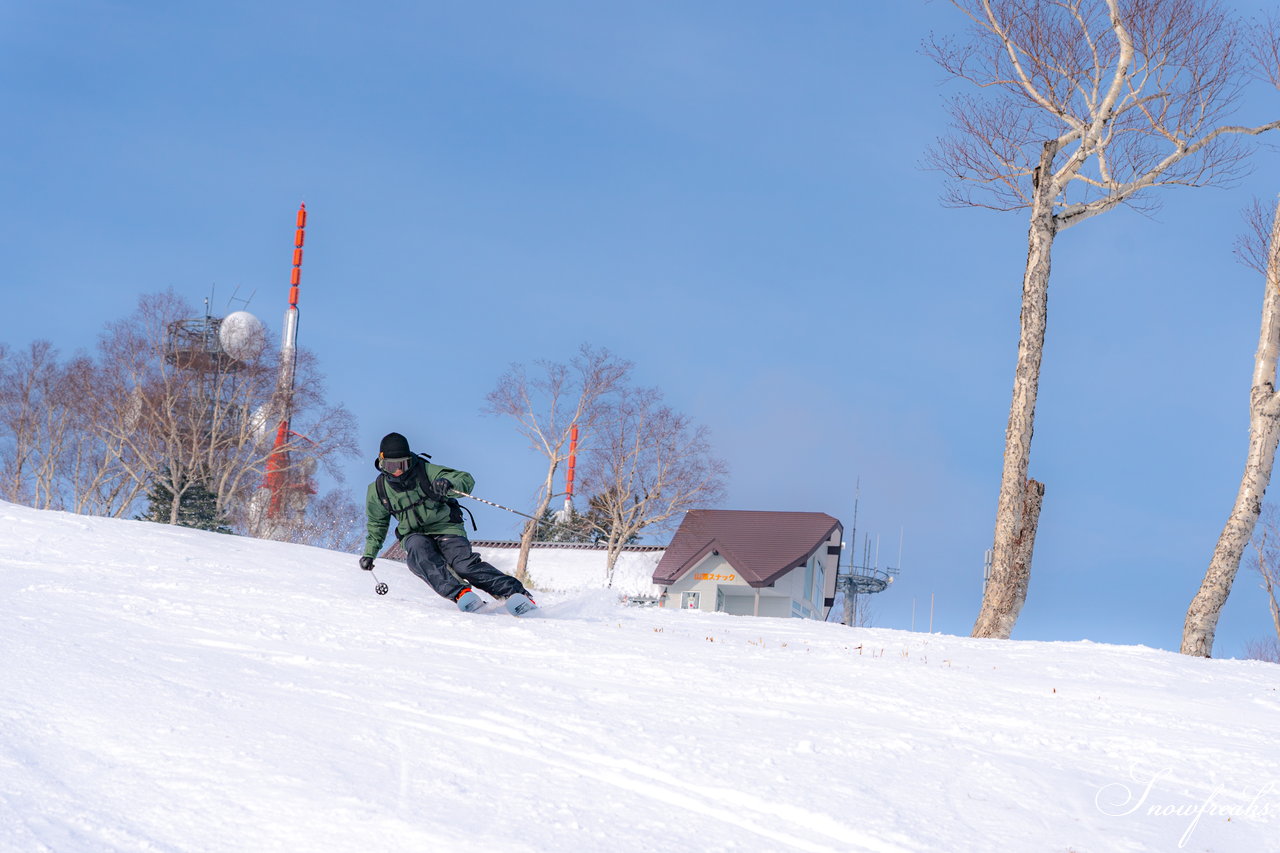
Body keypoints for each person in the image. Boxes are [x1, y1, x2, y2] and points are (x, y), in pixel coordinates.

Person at [359, 432, 535, 613]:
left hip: (446, 527)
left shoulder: (425, 471)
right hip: (413, 533)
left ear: (409, 461)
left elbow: (464, 479)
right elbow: (377, 525)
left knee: (463, 565)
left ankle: (516, 594)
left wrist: (447, 483)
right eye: (391, 465)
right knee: (418, 552)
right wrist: (369, 553)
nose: (397, 471)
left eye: (402, 465)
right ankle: (461, 594)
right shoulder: (378, 491)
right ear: (381, 463)